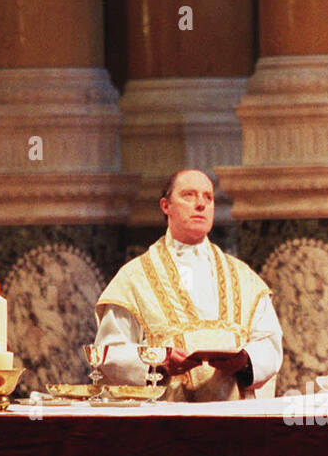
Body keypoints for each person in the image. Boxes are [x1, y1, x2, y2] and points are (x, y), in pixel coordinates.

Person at [94, 169, 283, 401]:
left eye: (208, 197)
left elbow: (269, 343)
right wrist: (160, 362)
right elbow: (110, 352)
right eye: (189, 195)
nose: (201, 204)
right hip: (167, 421)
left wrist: (245, 362)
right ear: (166, 206)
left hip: (234, 419)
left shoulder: (244, 278)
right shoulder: (134, 279)